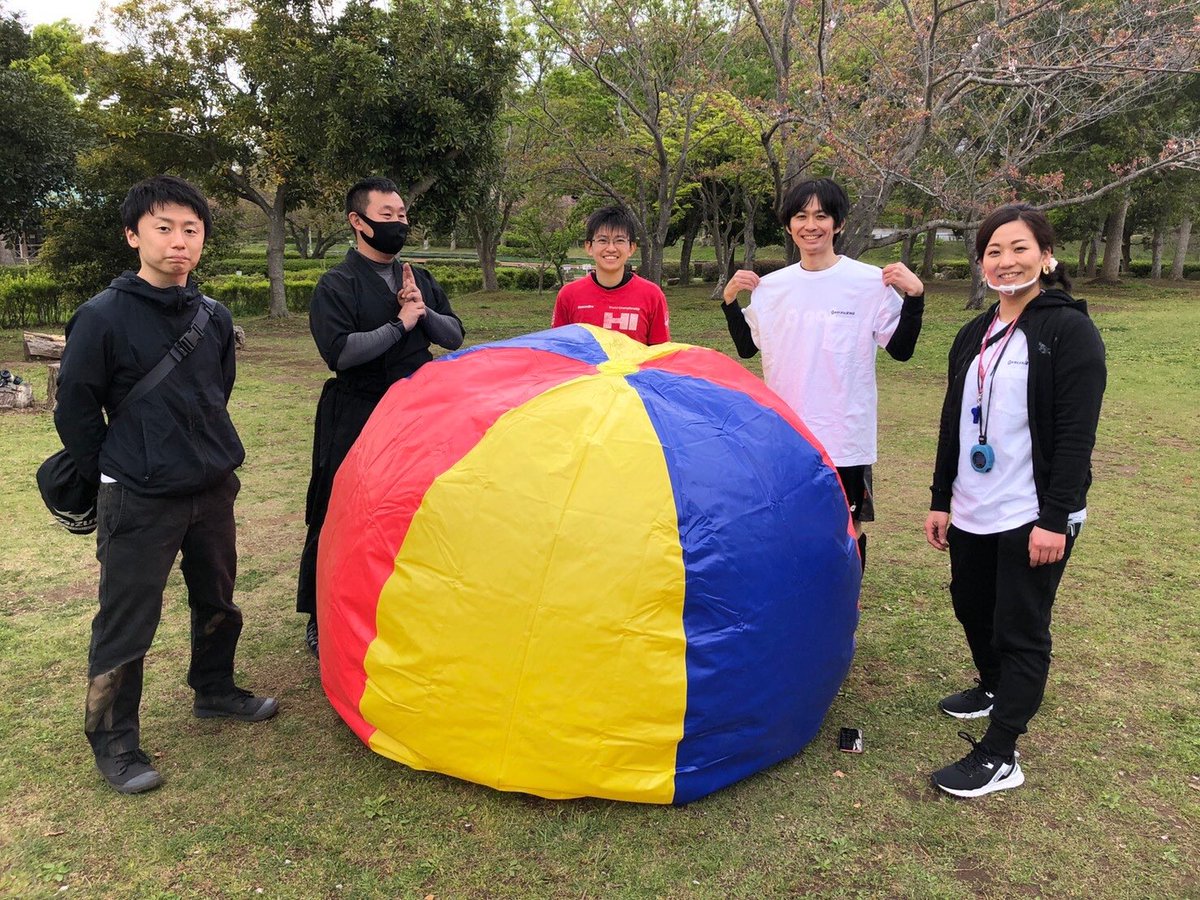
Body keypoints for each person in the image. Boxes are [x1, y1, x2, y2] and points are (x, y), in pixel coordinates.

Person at [55, 175, 277, 795]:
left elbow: (217, 391)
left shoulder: (213, 316)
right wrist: (117, 468)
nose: (179, 241)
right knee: (127, 621)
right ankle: (114, 740)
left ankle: (215, 689)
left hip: (210, 486)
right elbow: (75, 411)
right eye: (164, 228)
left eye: (191, 229)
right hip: (138, 495)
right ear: (134, 235)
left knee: (218, 598)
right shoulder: (101, 317)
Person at [923, 204, 1106, 798]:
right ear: (982, 263)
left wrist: (1056, 518)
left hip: (1034, 512)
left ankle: (1001, 754)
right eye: (993, 251)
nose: (1006, 261)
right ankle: (994, 684)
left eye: (1019, 248)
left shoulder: (1068, 331)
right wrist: (941, 498)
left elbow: (1076, 435)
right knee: (971, 604)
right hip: (973, 503)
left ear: (1046, 256)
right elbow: (954, 422)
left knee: (1020, 627)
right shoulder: (973, 334)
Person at [298, 176, 464, 657]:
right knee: (338, 511)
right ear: (358, 221)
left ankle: (404, 602)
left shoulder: (419, 278)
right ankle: (321, 614)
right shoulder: (337, 284)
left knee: (411, 508)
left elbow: (454, 335)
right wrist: (400, 324)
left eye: (402, 215)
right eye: (387, 216)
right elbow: (341, 353)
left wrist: (422, 312)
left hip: (415, 412)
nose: (398, 224)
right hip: (357, 411)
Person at [721, 178, 924, 569]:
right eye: (801, 216)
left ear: (839, 223)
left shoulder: (868, 282)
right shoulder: (773, 287)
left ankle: (847, 598)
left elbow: (901, 351)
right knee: (789, 524)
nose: (810, 225)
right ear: (788, 225)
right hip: (787, 435)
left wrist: (915, 300)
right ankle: (799, 600)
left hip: (845, 434)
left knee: (846, 527)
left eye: (821, 216)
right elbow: (748, 348)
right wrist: (730, 304)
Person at [552, 205, 670, 345]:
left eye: (619, 240)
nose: (611, 248)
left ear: (631, 248)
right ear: (589, 247)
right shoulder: (568, 295)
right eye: (603, 240)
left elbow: (661, 353)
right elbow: (557, 349)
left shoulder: (652, 295)